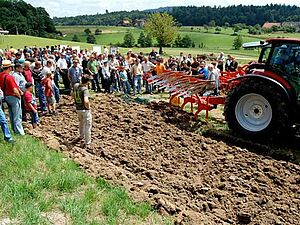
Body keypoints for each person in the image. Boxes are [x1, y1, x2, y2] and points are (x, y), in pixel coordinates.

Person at [0, 60, 25, 135]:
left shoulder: (1, 75)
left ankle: (14, 129)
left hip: (6, 96)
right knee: (17, 115)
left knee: (11, 115)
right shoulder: (9, 77)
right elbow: (14, 89)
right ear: (10, 68)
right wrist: (19, 96)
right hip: (13, 97)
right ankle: (19, 132)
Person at [73, 75, 92, 146]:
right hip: (84, 110)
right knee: (87, 126)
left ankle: (81, 136)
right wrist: (88, 107)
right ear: (87, 82)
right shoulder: (85, 90)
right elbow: (86, 101)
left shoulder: (76, 86)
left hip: (78, 108)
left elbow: (72, 94)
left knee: (81, 123)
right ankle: (87, 142)